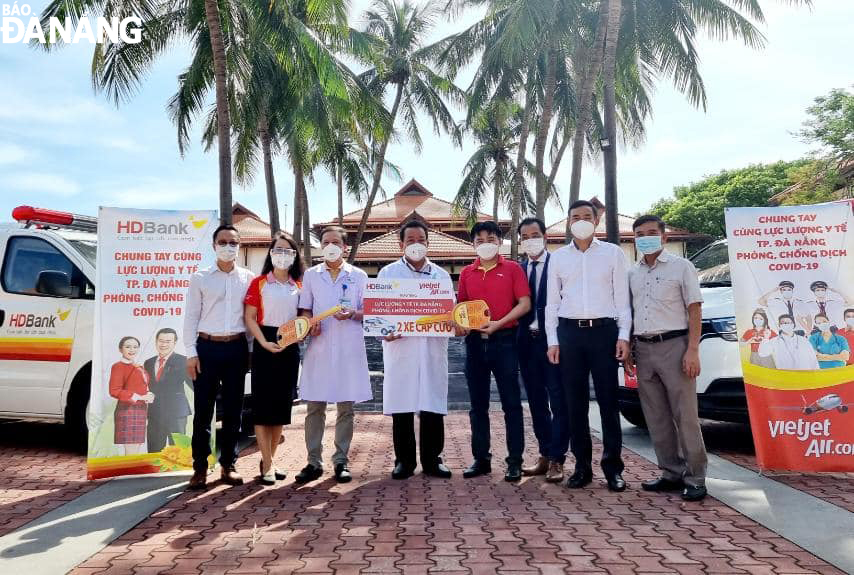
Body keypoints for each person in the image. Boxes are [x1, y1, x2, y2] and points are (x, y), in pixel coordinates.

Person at [545, 200, 630, 492]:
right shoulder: (558, 258)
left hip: (604, 333)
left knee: (609, 402)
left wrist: (624, 335)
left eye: (586, 216)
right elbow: (551, 304)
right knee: (574, 405)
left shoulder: (613, 254)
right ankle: (582, 468)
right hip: (569, 334)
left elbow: (623, 300)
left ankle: (613, 469)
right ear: (569, 222)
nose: (581, 220)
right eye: (575, 217)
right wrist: (553, 340)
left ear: (596, 221)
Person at [626, 215, 708, 502]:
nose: (645, 237)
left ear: (663, 237)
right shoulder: (632, 272)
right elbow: (631, 313)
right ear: (634, 239)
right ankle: (671, 472)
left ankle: (696, 477)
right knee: (656, 416)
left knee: (685, 415)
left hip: (675, 345)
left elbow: (695, 309)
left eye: (651, 232)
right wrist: (630, 349)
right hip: (644, 348)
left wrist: (693, 349)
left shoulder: (681, 266)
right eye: (639, 234)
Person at [295, 226, 372, 484]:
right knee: (314, 407)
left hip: (349, 347)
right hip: (320, 346)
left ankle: (341, 460)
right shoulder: (311, 276)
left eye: (335, 242)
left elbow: (369, 311)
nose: (330, 246)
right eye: (325, 242)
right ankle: (313, 461)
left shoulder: (359, 276)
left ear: (345, 247)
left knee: (345, 408)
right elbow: (305, 309)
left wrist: (353, 314)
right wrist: (309, 324)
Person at [379, 220, 453, 480]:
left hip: (432, 347)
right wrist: (384, 330)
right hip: (401, 349)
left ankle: (433, 460)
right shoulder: (388, 274)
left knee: (432, 402)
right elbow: (380, 314)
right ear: (401, 244)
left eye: (420, 239)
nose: (416, 244)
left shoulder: (441, 276)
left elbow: (449, 314)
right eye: (410, 240)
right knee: (402, 404)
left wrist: (452, 322)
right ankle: (404, 461)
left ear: (428, 242)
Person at [457, 220, 531, 482]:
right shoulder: (467, 273)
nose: (485, 244)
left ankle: (515, 461)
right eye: (479, 240)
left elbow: (524, 303)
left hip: (506, 340)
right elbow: (462, 308)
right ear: (473, 244)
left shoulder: (512, 268)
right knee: (478, 406)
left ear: (499, 241)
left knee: (511, 404)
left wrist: (498, 324)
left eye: (490, 238)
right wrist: (461, 326)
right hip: (475, 343)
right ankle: (481, 459)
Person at [184, 225, 254, 490]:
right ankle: (200, 469)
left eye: (233, 243)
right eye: (223, 242)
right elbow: (191, 317)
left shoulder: (248, 278)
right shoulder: (200, 278)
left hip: (236, 349)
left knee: (235, 411)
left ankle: (229, 465)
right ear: (214, 245)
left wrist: (249, 351)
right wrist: (191, 353)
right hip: (207, 348)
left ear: (239, 246)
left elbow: (250, 318)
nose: (228, 247)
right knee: (203, 411)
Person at [244, 232, 304, 485]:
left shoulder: (299, 285)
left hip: (289, 345)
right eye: (278, 250)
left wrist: (299, 334)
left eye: (288, 251)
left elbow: (304, 317)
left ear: (294, 256)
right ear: (270, 253)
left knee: (281, 408)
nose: (282, 255)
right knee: (262, 408)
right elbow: (249, 317)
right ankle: (267, 464)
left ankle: (271, 460)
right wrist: (263, 342)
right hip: (264, 343)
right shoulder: (259, 283)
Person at [516, 217, 569, 483]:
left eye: (534, 234)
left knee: (559, 401)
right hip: (527, 343)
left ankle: (558, 458)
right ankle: (545, 454)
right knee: (536, 402)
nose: (530, 240)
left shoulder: (559, 263)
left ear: (545, 236)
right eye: (525, 236)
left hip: (554, 343)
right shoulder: (519, 268)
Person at [144, 328, 192, 453]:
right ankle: (154, 473)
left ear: (175, 343)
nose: (163, 344)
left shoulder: (183, 361)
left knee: (178, 449)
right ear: (156, 341)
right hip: (155, 413)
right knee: (154, 450)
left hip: (176, 412)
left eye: (168, 341)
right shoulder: (148, 363)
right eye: (161, 341)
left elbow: (194, 384)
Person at [109, 336, 153, 455]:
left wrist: (148, 394)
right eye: (127, 346)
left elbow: (142, 385)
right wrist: (140, 397)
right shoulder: (118, 366)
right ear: (120, 349)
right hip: (127, 410)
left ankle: (131, 471)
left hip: (141, 410)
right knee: (131, 448)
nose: (131, 350)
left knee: (136, 446)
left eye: (135, 347)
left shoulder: (138, 366)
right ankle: (129, 473)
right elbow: (114, 390)